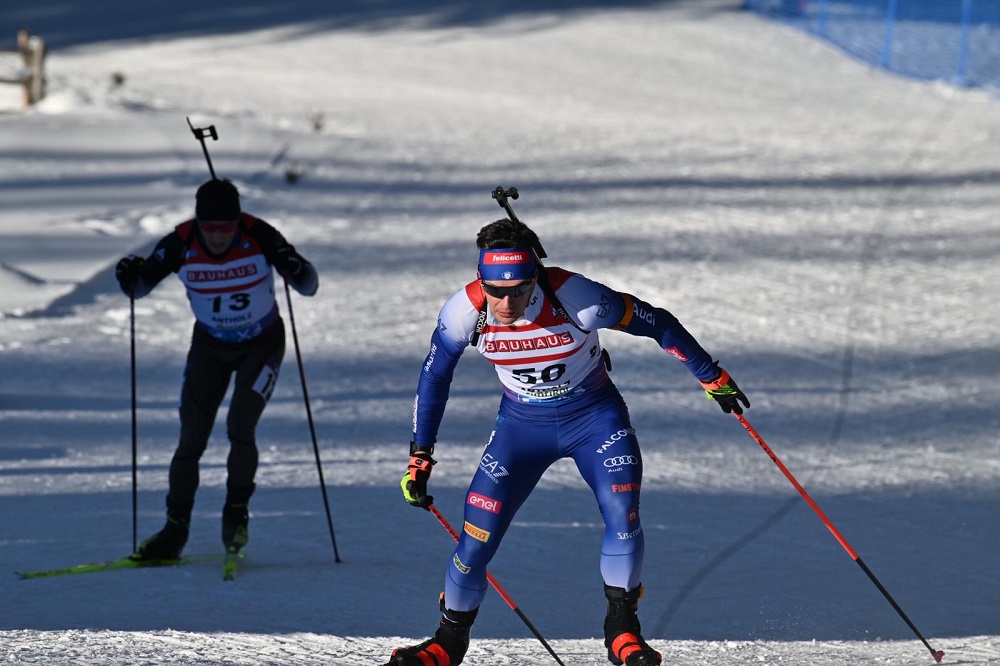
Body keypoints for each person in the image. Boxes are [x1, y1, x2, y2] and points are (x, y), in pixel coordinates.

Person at [387, 217, 749, 666]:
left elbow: (658, 323)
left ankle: (622, 630)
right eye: (494, 290)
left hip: (594, 417)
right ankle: (448, 641)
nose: (504, 301)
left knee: (623, 513)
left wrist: (710, 376)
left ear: (534, 278)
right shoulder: (464, 311)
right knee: (476, 537)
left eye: (517, 289)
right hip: (521, 427)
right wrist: (420, 454)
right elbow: (434, 375)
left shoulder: (576, 297)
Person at [114, 178, 318, 561]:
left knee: (241, 425)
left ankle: (235, 515)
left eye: (227, 227)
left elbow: (308, 285)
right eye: (211, 228)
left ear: (238, 222)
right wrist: (130, 277)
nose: (219, 236)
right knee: (191, 437)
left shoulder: (259, 235)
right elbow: (139, 288)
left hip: (262, 344)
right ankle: (175, 529)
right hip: (209, 346)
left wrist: (296, 266)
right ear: (199, 222)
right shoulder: (180, 242)